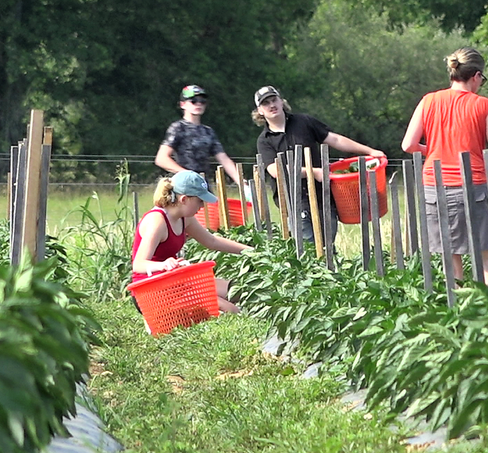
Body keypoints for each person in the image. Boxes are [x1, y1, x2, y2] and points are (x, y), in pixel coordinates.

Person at [401, 47, 488, 287]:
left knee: (451, 263)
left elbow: (408, 145)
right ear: (476, 76)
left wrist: (433, 149)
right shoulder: (483, 106)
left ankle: (455, 314)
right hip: (472, 187)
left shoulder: (429, 101)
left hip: (436, 188)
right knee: (485, 263)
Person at [252, 85, 385, 245]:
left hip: (323, 196)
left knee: (327, 247)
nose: (271, 105)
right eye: (266, 103)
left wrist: (370, 151)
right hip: (294, 202)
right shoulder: (264, 140)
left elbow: (335, 139)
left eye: (274, 99)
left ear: (281, 102)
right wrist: (313, 172)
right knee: (309, 250)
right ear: (260, 110)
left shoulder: (304, 122)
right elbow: (275, 170)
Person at [130, 170, 249, 316]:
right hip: (151, 292)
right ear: (184, 199)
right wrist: (163, 265)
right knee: (229, 309)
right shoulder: (157, 221)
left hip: (175, 282)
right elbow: (139, 264)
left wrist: (250, 251)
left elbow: (211, 241)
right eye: (200, 201)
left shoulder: (185, 218)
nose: (202, 206)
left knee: (237, 291)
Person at [155, 85, 242, 185]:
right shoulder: (178, 128)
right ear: (183, 104)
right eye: (193, 101)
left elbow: (224, 159)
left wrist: (241, 182)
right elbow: (161, 159)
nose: (198, 104)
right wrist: (186, 174)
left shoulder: (208, 131)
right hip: (184, 186)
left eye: (202, 101)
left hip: (203, 186)